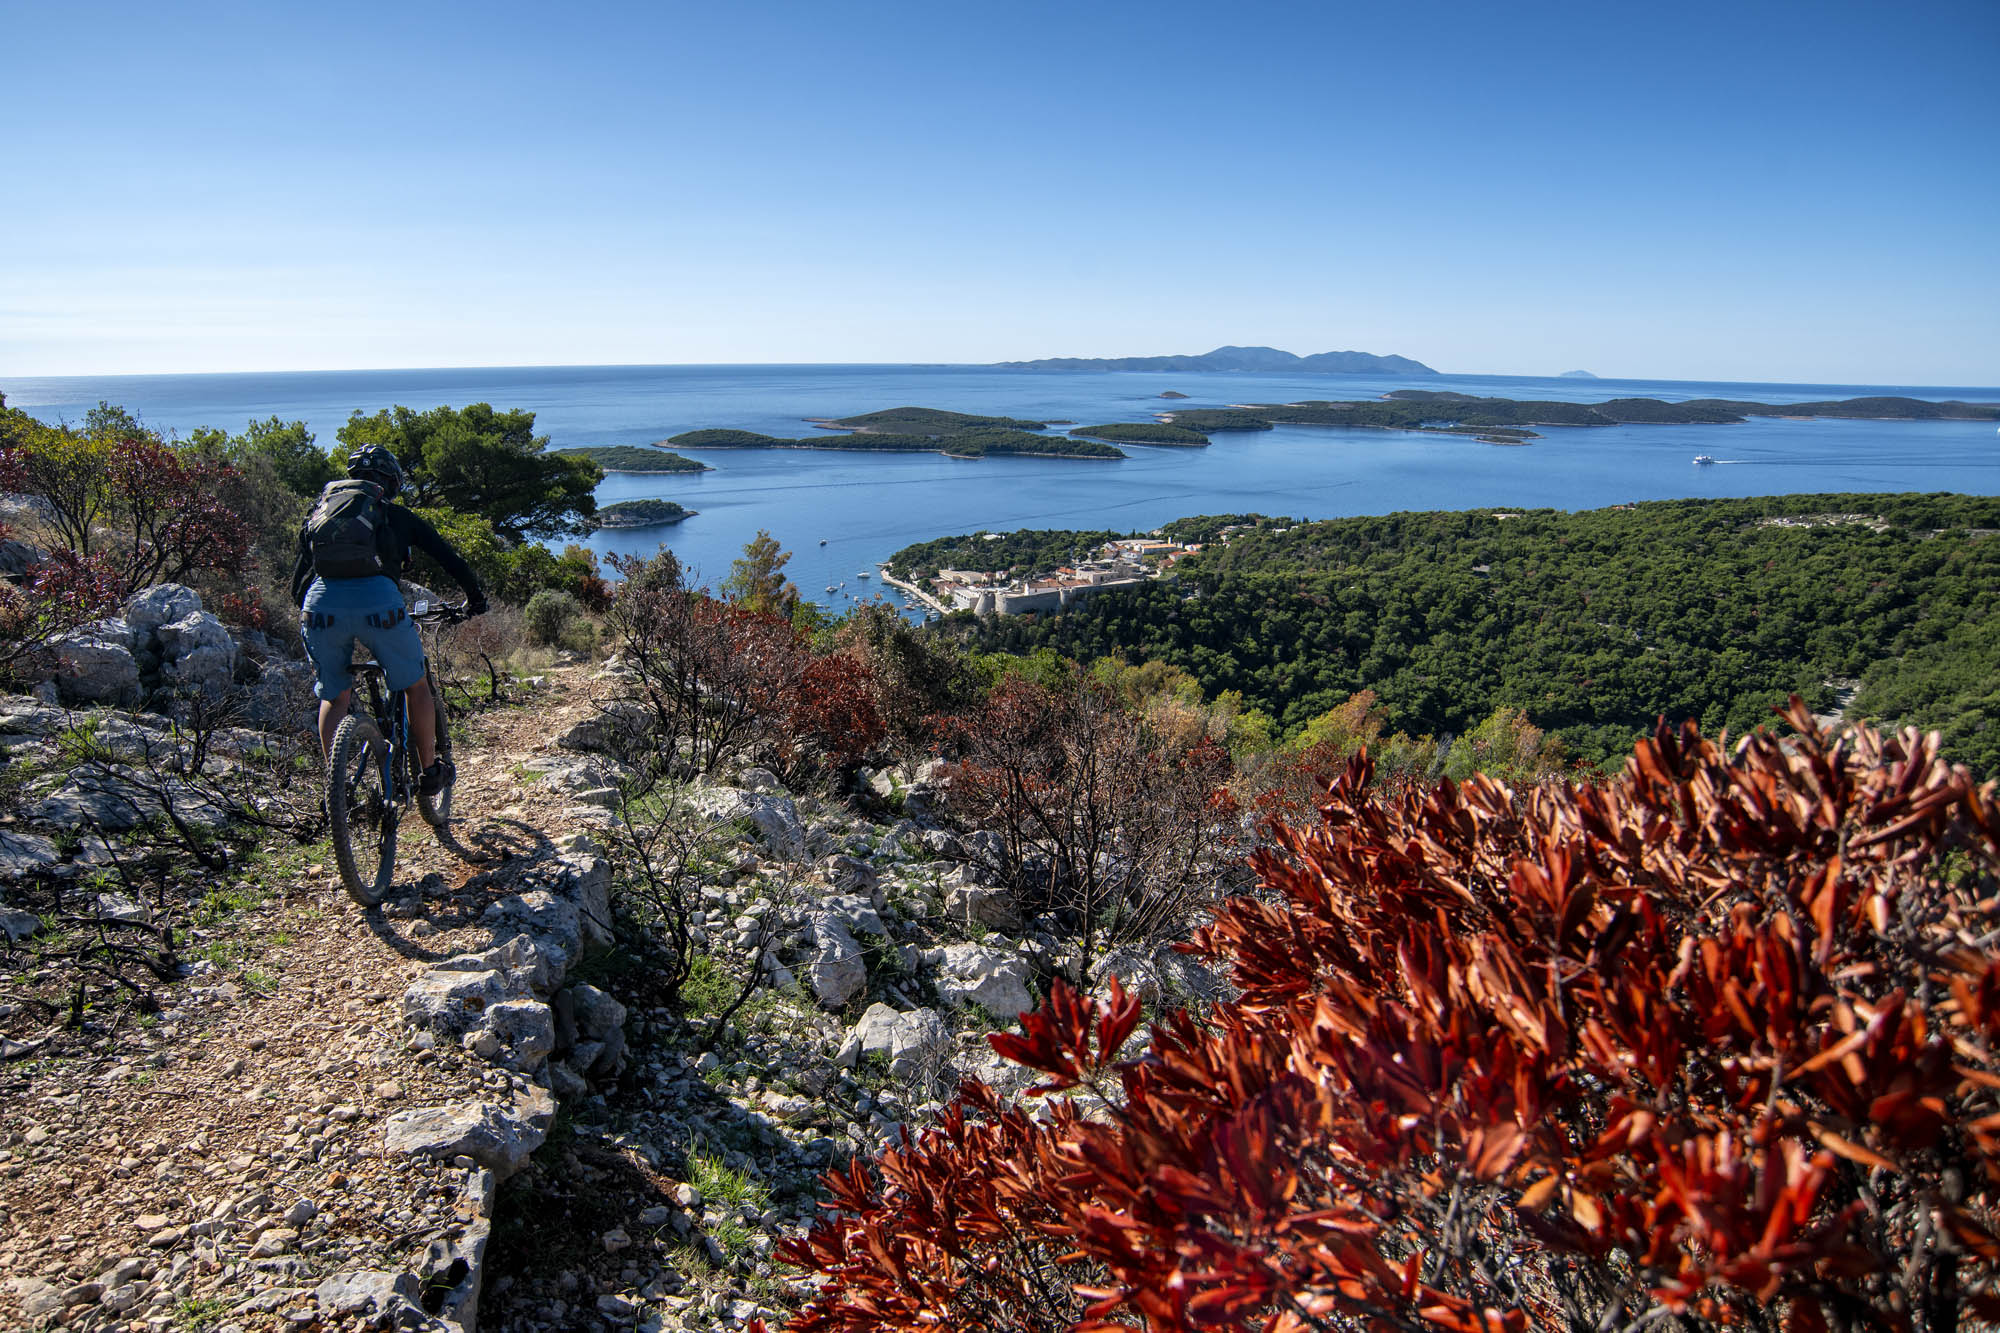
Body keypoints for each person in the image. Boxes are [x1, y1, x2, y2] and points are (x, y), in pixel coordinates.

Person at [291, 443, 488, 793]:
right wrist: (475, 599)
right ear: (391, 481)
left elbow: (298, 583)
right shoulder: (394, 515)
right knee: (416, 685)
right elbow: (449, 558)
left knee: (335, 697)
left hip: (320, 603)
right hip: (378, 601)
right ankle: (429, 771)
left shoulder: (319, 515)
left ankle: (337, 788)